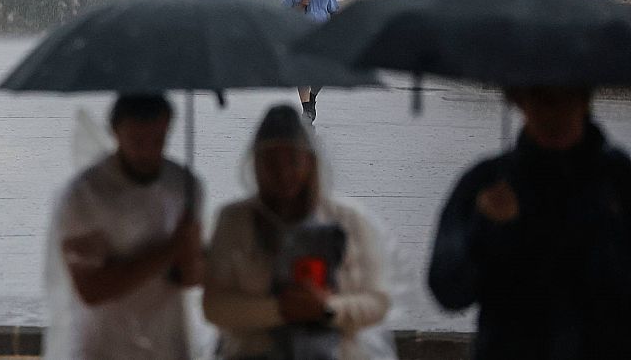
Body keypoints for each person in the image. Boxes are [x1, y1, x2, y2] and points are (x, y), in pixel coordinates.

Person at [428, 87, 631, 360]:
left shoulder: (620, 183)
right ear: (517, 100)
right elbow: (448, 290)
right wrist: (488, 228)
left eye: (564, 97)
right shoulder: (487, 183)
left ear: (584, 98)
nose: (552, 114)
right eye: (540, 99)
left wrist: (606, 228)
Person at [203, 105, 390, 360]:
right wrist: (280, 309)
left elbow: (377, 301)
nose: (283, 173)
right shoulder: (235, 221)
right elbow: (215, 306)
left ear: (310, 163)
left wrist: (327, 308)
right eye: (271, 162)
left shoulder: (347, 220)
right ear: (256, 165)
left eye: (292, 160)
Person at [44, 94, 208, 360]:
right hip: (103, 347)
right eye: (137, 142)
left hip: (169, 344)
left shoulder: (185, 187)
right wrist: (172, 249)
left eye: (157, 140)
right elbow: (92, 289)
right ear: (115, 132)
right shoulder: (84, 195)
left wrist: (192, 261)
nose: (148, 152)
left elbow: (191, 276)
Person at [282, 0, 340, 124]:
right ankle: (306, 107)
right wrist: (300, 5)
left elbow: (333, 9)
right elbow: (285, 15)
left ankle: (312, 96)